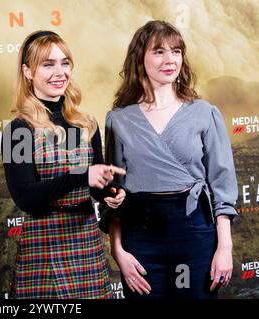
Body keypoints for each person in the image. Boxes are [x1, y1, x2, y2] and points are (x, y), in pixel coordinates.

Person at [102, 20, 237, 299]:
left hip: (194, 234)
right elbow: (113, 196)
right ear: (140, 58)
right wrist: (119, 252)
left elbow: (221, 187)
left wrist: (224, 248)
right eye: (159, 51)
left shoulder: (204, 113)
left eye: (176, 51)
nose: (170, 59)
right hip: (140, 235)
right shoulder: (119, 120)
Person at [2, 30, 126, 299]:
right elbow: (25, 197)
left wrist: (111, 193)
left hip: (85, 245)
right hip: (44, 246)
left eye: (64, 62)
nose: (60, 72)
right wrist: (80, 176)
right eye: (48, 64)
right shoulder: (20, 130)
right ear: (28, 72)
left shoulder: (84, 124)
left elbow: (96, 183)